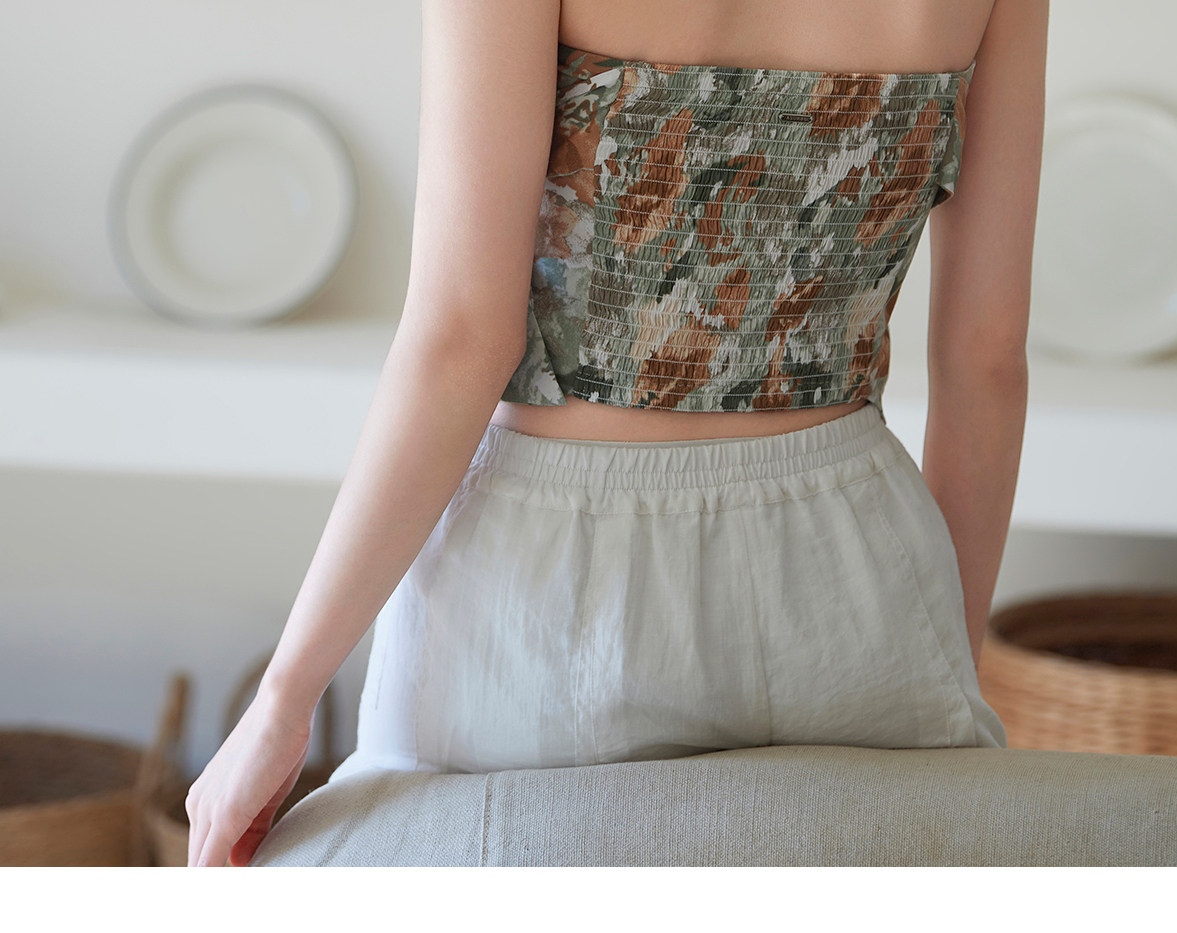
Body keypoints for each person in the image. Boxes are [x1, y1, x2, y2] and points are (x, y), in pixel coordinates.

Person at [185, 0, 1048, 867]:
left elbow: (462, 341)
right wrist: (943, 642)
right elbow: (986, 363)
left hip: (550, 580)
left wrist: (284, 697)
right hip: (860, 568)